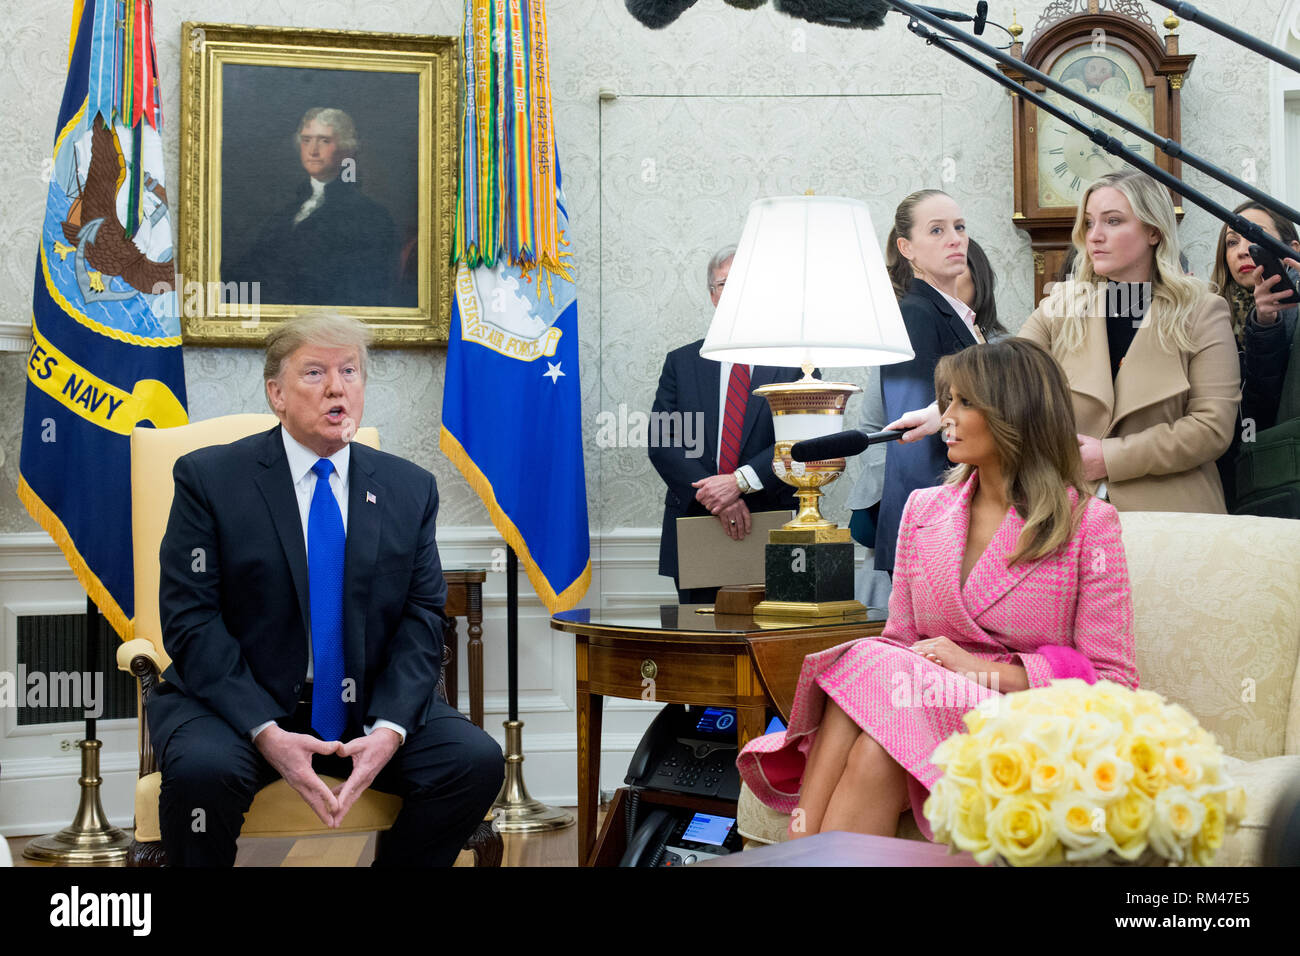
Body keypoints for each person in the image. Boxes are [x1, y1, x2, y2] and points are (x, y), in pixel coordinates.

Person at [737, 338, 1138, 839]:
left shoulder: (1088, 525)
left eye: (964, 402)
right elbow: (899, 641)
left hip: (1017, 717)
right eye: (947, 400)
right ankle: (808, 842)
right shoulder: (923, 510)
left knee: (866, 663)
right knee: (875, 743)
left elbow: (1113, 684)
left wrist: (979, 669)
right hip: (917, 706)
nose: (944, 416)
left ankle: (801, 839)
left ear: (1016, 414)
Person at [148, 314, 503, 866]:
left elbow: (422, 620)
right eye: (315, 372)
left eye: (350, 371)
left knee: (473, 762)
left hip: (363, 708)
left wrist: (389, 729)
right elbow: (190, 621)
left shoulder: (410, 490)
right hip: (238, 704)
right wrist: (265, 730)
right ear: (276, 393)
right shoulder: (210, 480)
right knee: (202, 775)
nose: (338, 387)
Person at [890, 170, 1240, 515]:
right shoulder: (1061, 305)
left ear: (1153, 231)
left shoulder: (1203, 311)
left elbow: (1211, 428)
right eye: (1089, 223)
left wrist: (1109, 457)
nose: (1095, 236)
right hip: (1074, 516)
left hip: (1175, 520)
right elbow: (1002, 372)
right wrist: (938, 413)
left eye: (1113, 221)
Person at [849, 236, 1004, 608]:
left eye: (959, 269)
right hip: (914, 502)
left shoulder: (1002, 349)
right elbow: (881, 424)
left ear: (978, 280)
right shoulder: (914, 323)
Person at [648, 246, 805, 603]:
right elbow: (664, 442)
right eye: (726, 284)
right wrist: (717, 497)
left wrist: (740, 483)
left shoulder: (794, 365)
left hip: (768, 523)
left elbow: (800, 440)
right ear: (713, 295)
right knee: (699, 646)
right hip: (695, 525)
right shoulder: (682, 363)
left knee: (768, 641)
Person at [875, 189, 985, 575]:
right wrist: (937, 528)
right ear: (907, 247)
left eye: (959, 227)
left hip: (958, 514)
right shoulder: (915, 313)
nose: (955, 238)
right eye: (936, 230)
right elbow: (913, 434)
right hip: (933, 525)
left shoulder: (958, 315)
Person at [225, 108, 399, 307]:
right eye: (306, 140)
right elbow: (251, 271)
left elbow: (362, 293)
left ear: (346, 150)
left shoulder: (370, 217)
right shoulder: (285, 213)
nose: (313, 150)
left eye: (324, 141)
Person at [1208, 201, 1300, 509]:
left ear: (1292, 248)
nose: (1241, 250)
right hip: (1222, 475)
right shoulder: (1207, 312)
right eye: (1232, 241)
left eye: (1254, 236)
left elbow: (1266, 400)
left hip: (1281, 477)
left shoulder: (1290, 311)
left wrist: (1265, 323)